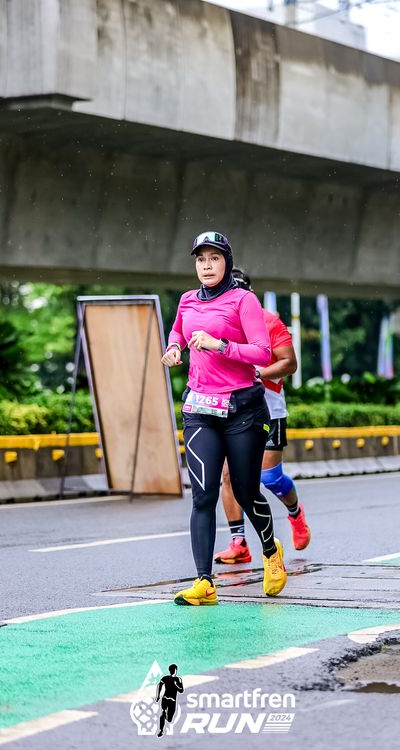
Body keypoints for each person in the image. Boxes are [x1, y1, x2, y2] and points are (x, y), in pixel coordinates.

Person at [161, 231, 287, 605]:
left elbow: (263, 353)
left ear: (226, 262)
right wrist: (173, 348)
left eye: (214, 258)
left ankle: (270, 550)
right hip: (200, 410)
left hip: (243, 410)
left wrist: (221, 346)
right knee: (203, 496)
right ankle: (204, 582)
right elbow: (178, 332)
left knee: (246, 492)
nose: (207, 265)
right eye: (201, 259)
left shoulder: (243, 300)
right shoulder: (187, 300)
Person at [214, 269, 311, 564]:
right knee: (228, 477)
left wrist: (259, 374)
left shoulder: (269, 322)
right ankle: (239, 543)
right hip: (231, 410)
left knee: (269, 478)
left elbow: (289, 363)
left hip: (269, 410)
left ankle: (295, 513)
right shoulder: (215, 321)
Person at [155, 664, 184, 737]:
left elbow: (181, 690)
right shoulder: (168, 678)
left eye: (174, 670)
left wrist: (158, 696)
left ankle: (164, 719)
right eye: (173, 670)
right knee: (164, 713)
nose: (174, 671)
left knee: (169, 718)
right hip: (168, 699)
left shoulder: (177, 679)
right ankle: (161, 730)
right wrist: (158, 695)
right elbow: (160, 685)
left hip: (168, 699)